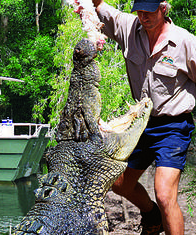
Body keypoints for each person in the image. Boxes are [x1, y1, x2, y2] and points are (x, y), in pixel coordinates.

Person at [74, 0, 196, 234]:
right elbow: (100, 5)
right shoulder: (130, 28)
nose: (143, 16)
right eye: (139, 11)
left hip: (173, 126)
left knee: (164, 193)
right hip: (139, 125)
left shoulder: (185, 42)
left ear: (163, 8)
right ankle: (152, 216)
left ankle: (162, 215)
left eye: (148, 11)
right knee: (119, 184)